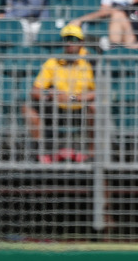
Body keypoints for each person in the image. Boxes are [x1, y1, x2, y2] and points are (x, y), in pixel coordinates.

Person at [23, 24, 95, 163]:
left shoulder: (91, 61)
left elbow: (100, 92)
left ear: (81, 42)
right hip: (56, 109)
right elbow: (35, 90)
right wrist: (48, 94)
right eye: (66, 39)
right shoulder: (53, 62)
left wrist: (72, 98)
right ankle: (40, 153)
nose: (69, 43)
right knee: (27, 109)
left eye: (73, 39)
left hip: (80, 108)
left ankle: (92, 155)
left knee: (95, 107)